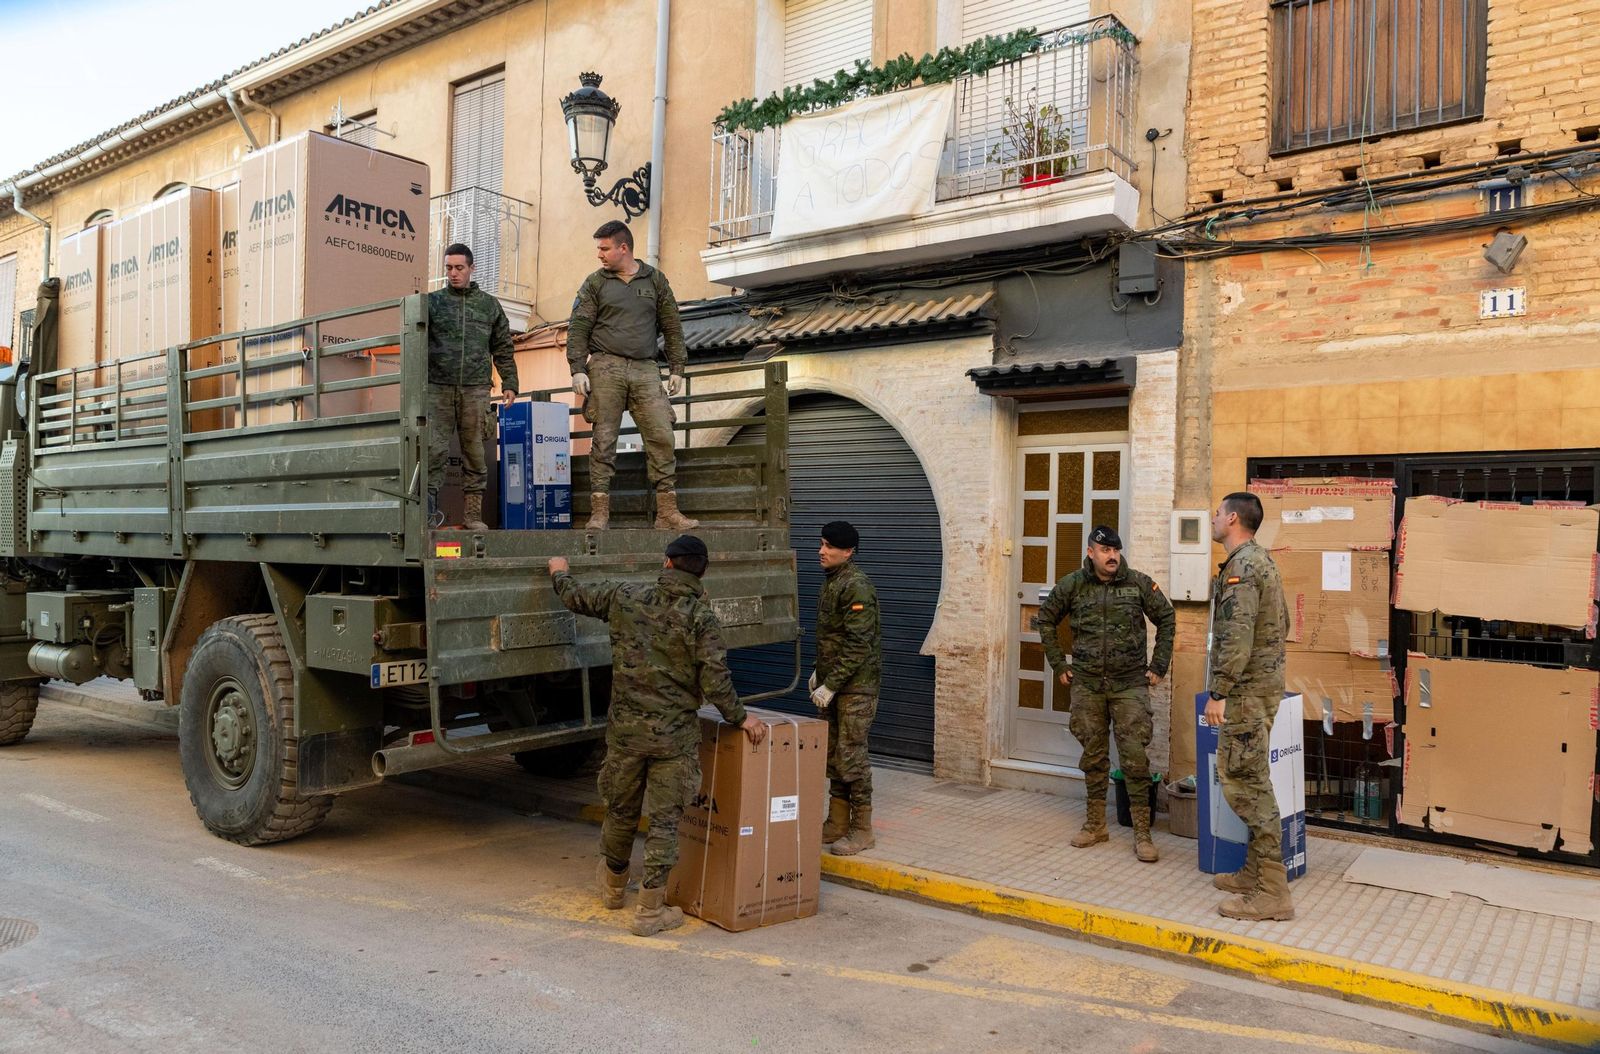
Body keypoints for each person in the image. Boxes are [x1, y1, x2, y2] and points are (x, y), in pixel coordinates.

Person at [547, 535, 765, 936]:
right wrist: (741, 719)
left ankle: (613, 888)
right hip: (673, 739)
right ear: (702, 571)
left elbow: (577, 598)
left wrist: (559, 573)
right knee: (665, 821)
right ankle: (650, 911)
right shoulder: (701, 617)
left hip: (626, 734)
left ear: (667, 563)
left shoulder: (625, 596)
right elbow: (715, 679)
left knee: (620, 810)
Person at [1037, 526, 1176, 862]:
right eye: (1105, 551)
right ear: (1091, 553)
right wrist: (1059, 664)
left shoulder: (1138, 583)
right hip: (1087, 684)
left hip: (1129, 684)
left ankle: (1142, 833)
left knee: (1135, 758)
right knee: (1094, 755)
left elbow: (1167, 617)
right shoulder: (1073, 584)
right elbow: (1045, 620)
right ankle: (1096, 824)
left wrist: (1158, 665)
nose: (1112, 556)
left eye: (1116, 550)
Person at [566, 220, 696, 532]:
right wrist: (577, 368)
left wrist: (677, 367)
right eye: (599, 248)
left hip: (645, 367)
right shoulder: (595, 283)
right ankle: (599, 513)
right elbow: (578, 327)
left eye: (604, 248)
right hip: (605, 366)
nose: (599, 254)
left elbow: (672, 326)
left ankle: (667, 513)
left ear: (624, 247)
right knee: (604, 440)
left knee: (662, 435)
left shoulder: (655, 280)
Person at [1205, 491, 1293, 922]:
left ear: (1233, 518)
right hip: (1261, 687)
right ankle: (1255, 872)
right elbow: (1282, 624)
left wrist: (1219, 692)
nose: (1212, 518)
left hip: (1245, 692)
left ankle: (1273, 892)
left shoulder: (1243, 566)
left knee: (1245, 781)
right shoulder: (1262, 561)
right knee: (1251, 772)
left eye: (1217, 513)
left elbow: (1237, 636)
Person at [426, 242, 518, 531]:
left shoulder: (489, 305)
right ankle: (427, 515)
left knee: (475, 452)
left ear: (471, 268)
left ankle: (473, 516)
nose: (453, 274)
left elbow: (503, 346)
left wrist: (510, 382)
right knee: (433, 452)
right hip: (438, 387)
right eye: (449, 268)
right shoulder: (432, 302)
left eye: (459, 268)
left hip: (476, 388)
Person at [810, 521, 881, 856]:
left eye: (829, 546)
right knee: (834, 753)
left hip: (856, 687)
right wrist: (819, 675)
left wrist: (831, 684)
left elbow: (858, 644)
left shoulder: (856, 585)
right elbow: (834, 639)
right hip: (835, 684)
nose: (822, 551)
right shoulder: (834, 581)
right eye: (821, 544)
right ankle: (837, 822)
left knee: (852, 754)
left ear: (848, 551)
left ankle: (862, 828)